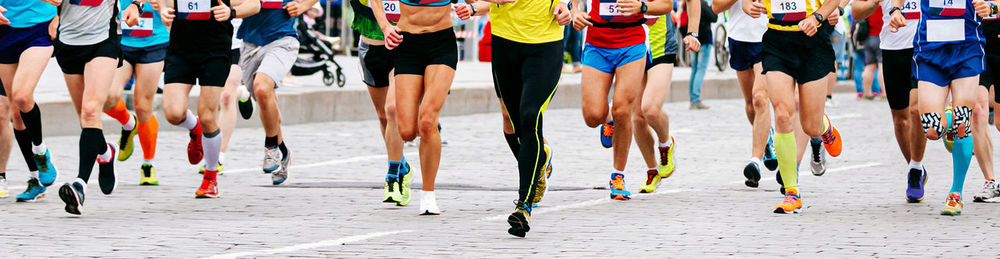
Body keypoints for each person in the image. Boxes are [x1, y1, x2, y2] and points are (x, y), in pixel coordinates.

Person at [459, 0, 570, 237]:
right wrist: (474, 5)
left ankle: (524, 206)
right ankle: (540, 161)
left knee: (530, 117)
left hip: (545, 43)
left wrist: (567, 4)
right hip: (505, 43)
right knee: (516, 123)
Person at [747, 0, 845, 213]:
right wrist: (749, 6)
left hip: (812, 40)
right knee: (782, 115)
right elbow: (747, 3)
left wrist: (818, 16)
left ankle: (823, 126)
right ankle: (792, 191)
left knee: (811, 126)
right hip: (776, 41)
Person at [889, 0, 986, 215]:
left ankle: (956, 193)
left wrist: (992, 8)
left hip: (967, 46)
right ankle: (951, 117)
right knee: (932, 130)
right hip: (930, 49)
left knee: (962, 122)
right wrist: (895, 9)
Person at [50, 0, 144, 215]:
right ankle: (105, 152)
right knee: (85, 119)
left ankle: (79, 185)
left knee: (91, 111)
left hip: (103, 40)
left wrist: (136, 5)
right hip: (68, 41)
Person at [159, 0, 260, 198]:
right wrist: (163, 10)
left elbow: (254, 4)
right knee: (173, 113)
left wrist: (231, 12)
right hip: (181, 48)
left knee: (207, 116)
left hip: (214, 50)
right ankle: (194, 128)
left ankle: (210, 177)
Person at [572, 0, 668, 201]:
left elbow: (666, 4)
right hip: (597, 43)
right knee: (592, 116)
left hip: (632, 42)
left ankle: (618, 176)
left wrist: (642, 7)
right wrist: (575, 11)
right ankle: (609, 118)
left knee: (623, 109)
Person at [371, 0, 456, 215]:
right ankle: (408, 166)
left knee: (427, 121)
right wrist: (385, 27)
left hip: (441, 43)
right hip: (407, 45)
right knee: (407, 131)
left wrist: (476, 7)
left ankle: (428, 195)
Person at [852, 0, 929, 203]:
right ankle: (916, 167)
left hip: (925, 47)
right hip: (893, 49)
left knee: (917, 110)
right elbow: (857, 12)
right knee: (900, 120)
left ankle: (914, 170)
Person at [236, 0, 307, 187]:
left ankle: (270, 146)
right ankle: (283, 151)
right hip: (251, 43)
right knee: (266, 99)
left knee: (262, 87)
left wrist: (305, 5)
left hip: (283, 38)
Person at [350, 0, 412, 206]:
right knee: (384, 116)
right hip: (371, 48)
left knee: (393, 109)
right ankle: (402, 164)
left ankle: (393, 176)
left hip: (404, 48)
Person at [635, 0, 701, 193]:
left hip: (660, 46)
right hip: (633, 48)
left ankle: (665, 143)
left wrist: (692, 33)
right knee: (637, 118)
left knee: (650, 110)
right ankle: (652, 169)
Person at [710, 0, 777, 188]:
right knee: (750, 105)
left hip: (768, 38)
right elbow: (716, 7)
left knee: (759, 98)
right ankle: (766, 139)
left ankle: (755, 160)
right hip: (739, 39)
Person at [103, 0, 171, 186]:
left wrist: (165, 7)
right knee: (107, 97)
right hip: (122, 42)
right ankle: (128, 123)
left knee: (143, 106)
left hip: (154, 43)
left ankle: (148, 164)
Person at [0, 0, 55, 202]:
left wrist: (59, 17)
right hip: (5, 30)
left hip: (39, 27)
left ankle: (40, 151)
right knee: (16, 114)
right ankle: (35, 179)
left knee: (22, 96)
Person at [977, 5, 1000, 202]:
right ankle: (990, 181)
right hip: (974, 44)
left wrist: (993, 6)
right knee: (977, 110)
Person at [682, 0, 716, 110]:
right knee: (701, 70)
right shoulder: (703, 4)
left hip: (692, 41)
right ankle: (696, 99)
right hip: (704, 41)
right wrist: (710, 7)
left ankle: (692, 99)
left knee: (695, 69)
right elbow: (714, 18)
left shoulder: (687, 4)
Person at [861, 7, 884, 99]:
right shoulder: (881, 4)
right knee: (882, 66)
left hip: (868, 37)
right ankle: (885, 93)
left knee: (869, 66)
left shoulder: (868, 3)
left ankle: (867, 93)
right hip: (880, 36)